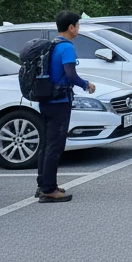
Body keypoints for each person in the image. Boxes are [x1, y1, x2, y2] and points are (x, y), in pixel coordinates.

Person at [36, 10, 96, 203]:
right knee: (55, 146)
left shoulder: (52, 45)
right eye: (78, 25)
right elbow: (70, 75)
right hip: (59, 102)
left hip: (45, 99)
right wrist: (86, 85)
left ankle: (43, 184)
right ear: (71, 27)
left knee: (46, 144)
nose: (78, 29)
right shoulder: (67, 48)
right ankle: (49, 190)